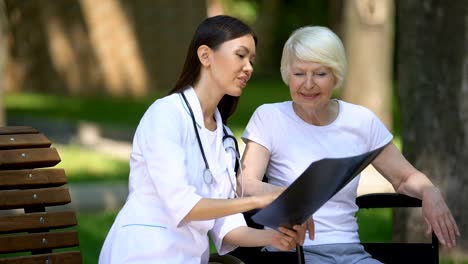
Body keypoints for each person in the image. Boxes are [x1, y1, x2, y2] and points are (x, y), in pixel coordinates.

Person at [239, 26, 460, 264]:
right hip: (293, 253)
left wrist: (430, 191)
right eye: (299, 74)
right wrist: (293, 198)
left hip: (351, 254)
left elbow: (404, 178)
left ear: (336, 75)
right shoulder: (270, 117)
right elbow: (246, 184)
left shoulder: (360, 121)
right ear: (287, 74)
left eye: (320, 74)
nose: (309, 84)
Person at [98, 15, 305, 264]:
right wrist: (260, 199)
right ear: (205, 55)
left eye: (251, 60)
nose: (249, 67)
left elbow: (228, 227)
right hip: (143, 252)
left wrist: (274, 238)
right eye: (240, 55)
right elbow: (183, 205)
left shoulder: (225, 137)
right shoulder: (166, 114)